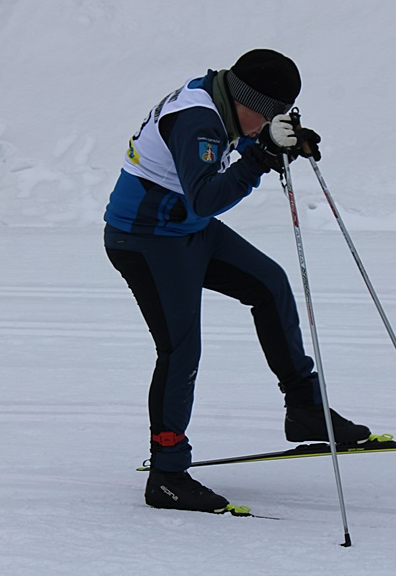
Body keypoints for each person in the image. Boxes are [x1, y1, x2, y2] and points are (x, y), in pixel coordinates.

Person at [103, 49, 371, 514]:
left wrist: (270, 141)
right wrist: (261, 154)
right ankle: (167, 475)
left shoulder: (224, 96)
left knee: (269, 284)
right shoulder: (198, 121)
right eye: (265, 117)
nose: (261, 125)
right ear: (246, 100)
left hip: (185, 228)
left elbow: (225, 165)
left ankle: (305, 409)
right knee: (180, 350)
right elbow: (206, 198)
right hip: (146, 238)